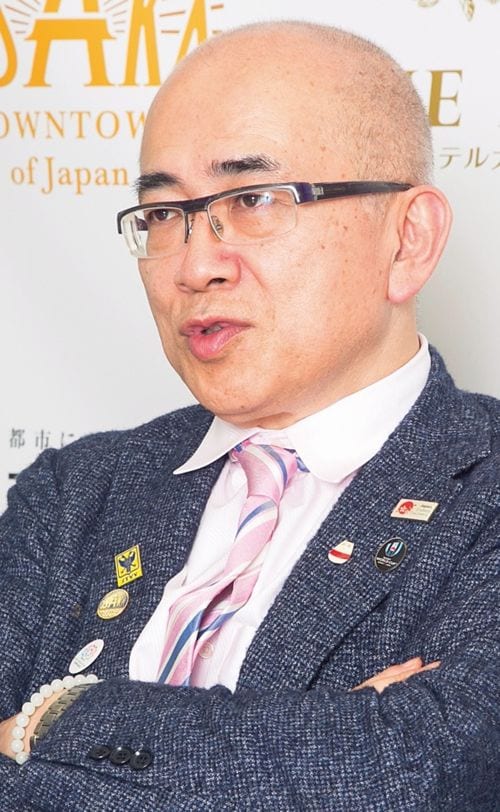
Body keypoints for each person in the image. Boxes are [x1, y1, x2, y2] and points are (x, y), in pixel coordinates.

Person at [0, 19, 498, 811]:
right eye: (163, 213)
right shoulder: (73, 494)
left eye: (255, 199)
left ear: (408, 239)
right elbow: (360, 772)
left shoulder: (486, 492)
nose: (195, 265)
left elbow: (422, 774)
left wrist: (52, 717)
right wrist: (328, 744)